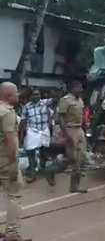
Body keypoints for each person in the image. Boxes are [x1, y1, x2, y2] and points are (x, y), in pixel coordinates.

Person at [0, 82, 30, 241]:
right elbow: (11, 141)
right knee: (14, 196)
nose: (19, 95)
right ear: (8, 95)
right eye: (16, 93)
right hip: (5, 161)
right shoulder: (7, 113)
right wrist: (14, 164)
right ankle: (12, 235)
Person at [46, 80, 87, 192]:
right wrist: (66, 134)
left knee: (80, 158)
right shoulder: (65, 100)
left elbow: (82, 116)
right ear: (73, 89)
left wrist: (84, 127)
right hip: (70, 129)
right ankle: (51, 171)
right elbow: (61, 119)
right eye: (79, 87)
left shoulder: (80, 100)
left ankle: (74, 186)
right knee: (72, 158)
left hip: (79, 130)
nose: (81, 90)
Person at [19, 89, 54, 183]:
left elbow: (56, 99)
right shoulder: (26, 107)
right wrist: (21, 136)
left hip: (44, 130)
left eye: (38, 94)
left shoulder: (45, 103)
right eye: (34, 95)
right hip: (32, 130)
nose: (36, 96)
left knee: (44, 151)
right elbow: (23, 121)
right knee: (31, 151)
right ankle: (32, 173)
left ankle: (42, 169)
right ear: (30, 96)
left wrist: (52, 93)